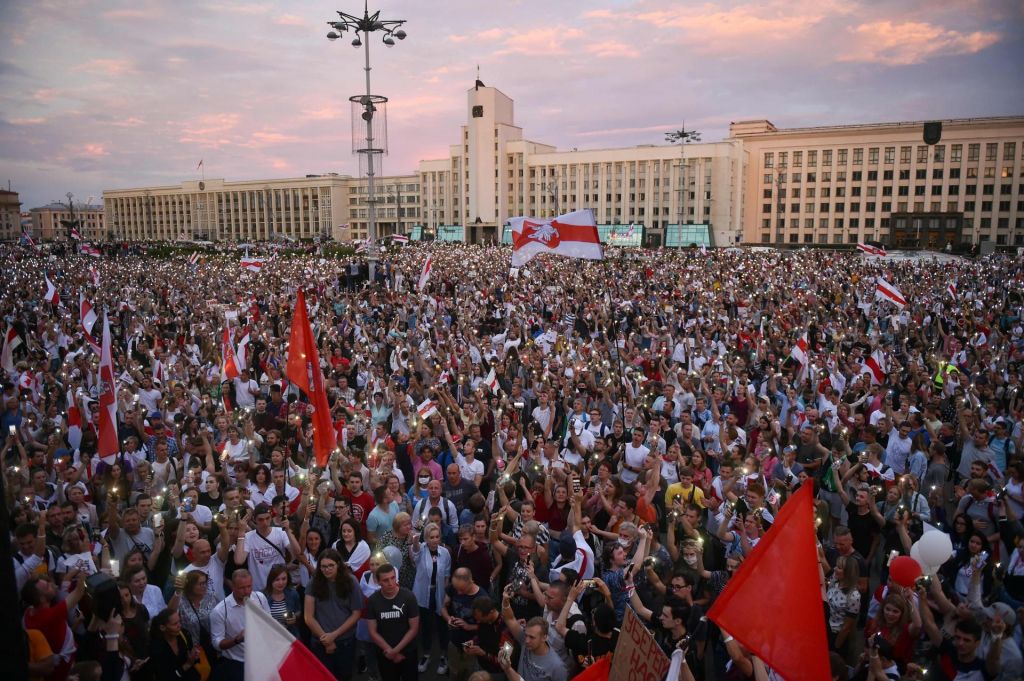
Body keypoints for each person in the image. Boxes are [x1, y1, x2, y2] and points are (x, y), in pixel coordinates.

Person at [303, 548, 363, 678]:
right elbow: (308, 617)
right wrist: (327, 639)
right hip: (320, 642)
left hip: (345, 641)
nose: (327, 569)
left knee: (344, 676)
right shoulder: (313, 583)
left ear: (338, 565)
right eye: (323, 566)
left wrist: (334, 635)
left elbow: (356, 613)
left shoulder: (351, 582)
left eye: (331, 565)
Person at [21, 570, 87, 681]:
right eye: (47, 586)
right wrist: (84, 572)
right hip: (63, 668)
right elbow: (79, 592)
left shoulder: (29, 612)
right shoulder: (50, 616)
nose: (52, 584)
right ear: (41, 599)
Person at [209, 570, 271, 681]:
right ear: (232, 586)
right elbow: (217, 644)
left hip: (261, 660)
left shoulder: (260, 598)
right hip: (237, 664)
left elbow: (269, 623)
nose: (247, 591)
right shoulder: (219, 611)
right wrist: (237, 639)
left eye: (249, 586)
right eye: (242, 588)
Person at [367, 563, 421, 681]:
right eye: (386, 580)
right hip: (385, 653)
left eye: (393, 578)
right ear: (378, 582)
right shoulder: (373, 601)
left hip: (407, 652)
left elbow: (414, 628)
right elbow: (372, 631)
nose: (391, 583)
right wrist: (390, 652)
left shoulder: (408, 596)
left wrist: (395, 651)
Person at [412, 522, 453, 675]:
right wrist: (416, 540)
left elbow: (447, 575)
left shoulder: (445, 553)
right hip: (423, 595)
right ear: (426, 538)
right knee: (426, 626)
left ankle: (443, 656)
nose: (435, 540)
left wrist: (446, 596)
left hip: (440, 594)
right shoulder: (420, 549)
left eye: (437, 537)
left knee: (442, 627)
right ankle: (426, 654)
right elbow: (414, 553)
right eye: (431, 537)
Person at [442, 567, 488, 681]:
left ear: (470, 582)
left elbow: (490, 626)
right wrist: (448, 618)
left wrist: (468, 627)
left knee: (470, 675)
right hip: (454, 642)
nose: (458, 592)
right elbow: (443, 607)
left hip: (472, 645)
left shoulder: (482, 598)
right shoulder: (454, 588)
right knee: (454, 672)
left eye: (461, 590)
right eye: (456, 589)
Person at [149, 609, 203, 681]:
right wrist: (187, 665)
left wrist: (194, 656)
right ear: (162, 628)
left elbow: (192, 658)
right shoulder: (157, 648)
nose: (179, 626)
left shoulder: (184, 634)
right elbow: (165, 677)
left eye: (179, 621)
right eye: (175, 624)